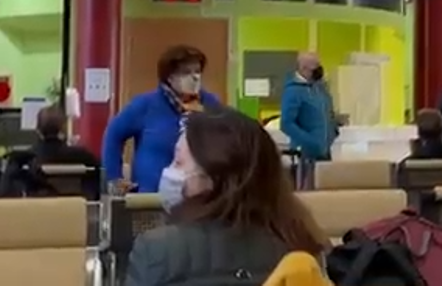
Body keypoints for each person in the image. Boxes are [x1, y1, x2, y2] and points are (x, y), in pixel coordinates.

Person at [126, 107, 330, 286]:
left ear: (215, 176)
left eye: (179, 162)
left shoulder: (156, 249)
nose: (168, 171)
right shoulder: (303, 243)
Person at [103, 45, 221, 193]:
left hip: (198, 196)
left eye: (197, 71)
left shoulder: (210, 104)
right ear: (170, 77)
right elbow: (113, 134)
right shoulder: (145, 105)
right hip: (151, 197)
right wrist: (114, 178)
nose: (194, 77)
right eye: (186, 72)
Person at [281, 52, 334, 162]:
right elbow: (286, 123)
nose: (319, 70)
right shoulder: (293, 91)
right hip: (304, 154)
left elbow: (328, 113)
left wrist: (333, 130)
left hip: (325, 151)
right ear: (303, 68)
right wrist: (309, 142)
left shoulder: (321, 89)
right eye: (315, 66)